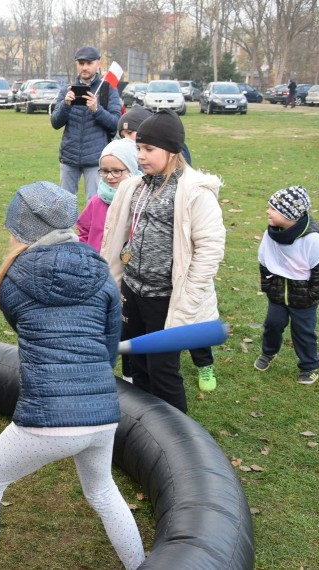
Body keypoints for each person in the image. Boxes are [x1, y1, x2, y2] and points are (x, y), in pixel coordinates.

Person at [0, 181, 145, 570]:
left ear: (24, 229)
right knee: (101, 490)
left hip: (49, 418)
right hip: (103, 414)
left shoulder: (13, 278)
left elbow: (25, 324)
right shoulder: (101, 272)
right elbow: (110, 347)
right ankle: (142, 565)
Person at [100, 110, 225, 413]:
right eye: (138, 148)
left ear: (172, 150)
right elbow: (113, 234)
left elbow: (210, 248)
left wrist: (190, 298)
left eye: (149, 149)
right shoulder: (136, 186)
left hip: (166, 300)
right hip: (132, 292)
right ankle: (146, 433)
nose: (140, 155)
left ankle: (179, 444)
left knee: (163, 371)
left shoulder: (195, 192)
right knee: (139, 366)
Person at [253, 186, 319, 385]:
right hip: (278, 294)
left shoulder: (313, 240)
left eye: (273, 208)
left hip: (304, 297)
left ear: (290, 214)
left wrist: (311, 296)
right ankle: (268, 353)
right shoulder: (271, 235)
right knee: (272, 325)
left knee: (303, 332)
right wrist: (268, 287)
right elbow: (264, 261)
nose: (267, 211)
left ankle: (309, 366)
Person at [50, 46, 122, 202]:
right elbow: (55, 123)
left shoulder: (107, 90)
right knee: (65, 204)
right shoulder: (66, 90)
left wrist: (97, 110)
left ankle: (92, 228)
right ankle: (65, 229)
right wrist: (65, 105)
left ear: (98, 64)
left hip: (96, 158)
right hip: (69, 157)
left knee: (95, 203)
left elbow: (116, 123)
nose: (85, 67)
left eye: (89, 63)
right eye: (81, 63)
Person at [77, 138, 140, 252]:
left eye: (117, 171)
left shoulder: (139, 201)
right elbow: (84, 230)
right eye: (105, 171)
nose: (110, 177)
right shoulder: (96, 202)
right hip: (96, 263)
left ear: (132, 169)